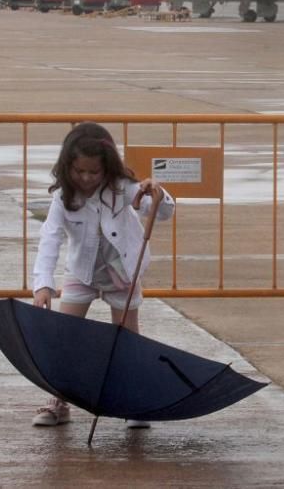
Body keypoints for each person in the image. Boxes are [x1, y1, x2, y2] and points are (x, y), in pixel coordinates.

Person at [30, 122, 175, 428]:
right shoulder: (62, 198)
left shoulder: (124, 188)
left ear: (107, 169)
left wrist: (157, 193)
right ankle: (60, 399)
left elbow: (162, 212)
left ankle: (133, 401)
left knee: (127, 340)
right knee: (65, 336)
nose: (85, 178)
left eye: (93, 173)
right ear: (67, 167)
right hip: (81, 273)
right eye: (79, 171)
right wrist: (43, 283)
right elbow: (50, 238)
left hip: (123, 272)